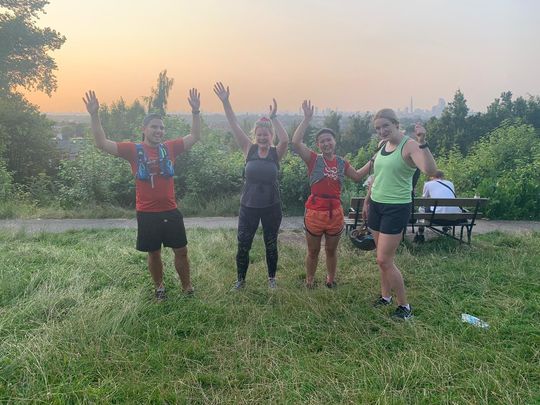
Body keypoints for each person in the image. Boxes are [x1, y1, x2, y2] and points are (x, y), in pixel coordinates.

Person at [83, 89, 201, 301]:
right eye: (154, 127)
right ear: (144, 129)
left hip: (171, 210)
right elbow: (102, 143)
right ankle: (159, 288)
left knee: (181, 250)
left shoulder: (171, 148)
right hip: (147, 213)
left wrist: (195, 111)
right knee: (153, 253)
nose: (159, 131)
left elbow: (194, 136)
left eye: (162, 127)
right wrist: (94, 115)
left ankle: (187, 287)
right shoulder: (132, 150)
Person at [362, 109, 437, 319]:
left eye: (385, 126)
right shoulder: (383, 146)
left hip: (396, 208)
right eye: (378, 128)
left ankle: (405, 306)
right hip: (377, 205)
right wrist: (367, 200)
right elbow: (377, 175)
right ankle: (385, 297)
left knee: (384, 260)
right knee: (380, 258)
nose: (382, 131)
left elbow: (429, 171)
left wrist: (423, 142)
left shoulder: (410, 145)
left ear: (396, 124)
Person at [213, 82, 289, 290]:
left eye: (267, 134)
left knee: (271, 243)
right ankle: (241, 280)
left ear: (270, 136)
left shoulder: (276, 152)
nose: (263, 137)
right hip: (249, 206)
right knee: (243, 244)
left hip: (272, 205)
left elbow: (286, 139)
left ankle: (271, 279)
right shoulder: (249, 148)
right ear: (255, 135)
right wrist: (226, 101)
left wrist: (273, 118)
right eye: (260, 134)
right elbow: (234, 123)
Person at [292, 100, 371, 289]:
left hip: (335, 212)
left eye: (329, 140)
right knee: (312, 251)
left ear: (335, 142)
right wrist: (307, 119)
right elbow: (295, 142)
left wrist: (374, 160)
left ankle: (331, 280)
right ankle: (309, 280)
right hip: (315, 212)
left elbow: (358, 175)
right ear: (318, 145)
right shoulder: (313, 160)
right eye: (322, 141)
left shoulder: (342, 163)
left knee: (331, 250)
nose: (326, 143)